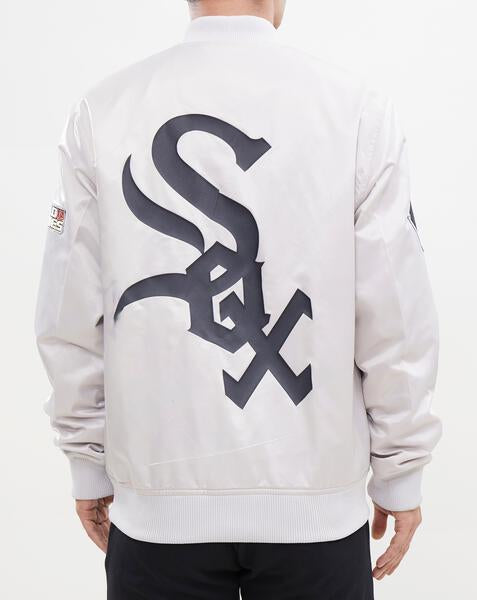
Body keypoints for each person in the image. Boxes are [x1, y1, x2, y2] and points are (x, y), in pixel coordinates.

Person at [35, 0, 442, 598]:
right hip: (316, 515)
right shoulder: (357, 111)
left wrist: (87, 459)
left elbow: (68, 310)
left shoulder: (103, 111)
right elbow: (395, 314)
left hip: (158, 517)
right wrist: (400, 470)